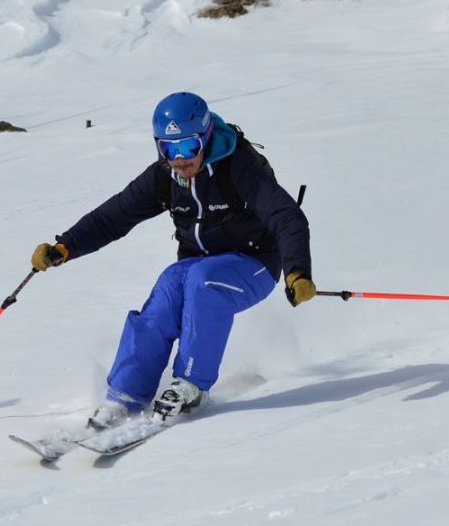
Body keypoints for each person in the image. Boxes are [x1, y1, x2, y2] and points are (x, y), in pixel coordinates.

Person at [31, 92, 315, 429]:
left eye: (188, 148)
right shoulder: (164, 176)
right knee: (169, 284)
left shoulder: (238, 169)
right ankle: (125, 397)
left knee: (203, 281)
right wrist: (66, 247)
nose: (180, 159)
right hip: (197, 264)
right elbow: (115, 215)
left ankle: (192, 386)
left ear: (206, 138)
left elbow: (286, 215)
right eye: (169, 148)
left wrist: (297, 271)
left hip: (254, 263)